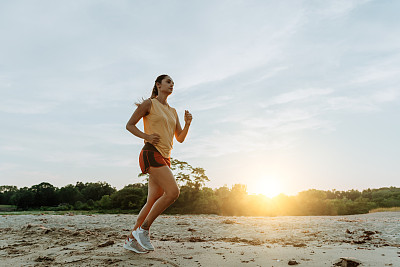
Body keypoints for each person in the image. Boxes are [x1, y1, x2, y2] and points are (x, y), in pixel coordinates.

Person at [123, 74, 192, 253]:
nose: (171, 85)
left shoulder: (173, 111)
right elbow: (129, 125)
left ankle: (131, 239)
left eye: (173, 83)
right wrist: (146, 136)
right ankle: (143, 230)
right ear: (158, 85)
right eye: (168, 82)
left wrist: (187, 124)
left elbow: (180, 138)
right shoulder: (149, 104)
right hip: (151, 153)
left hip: (165, 157)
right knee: (173, 192)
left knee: (152, 200)